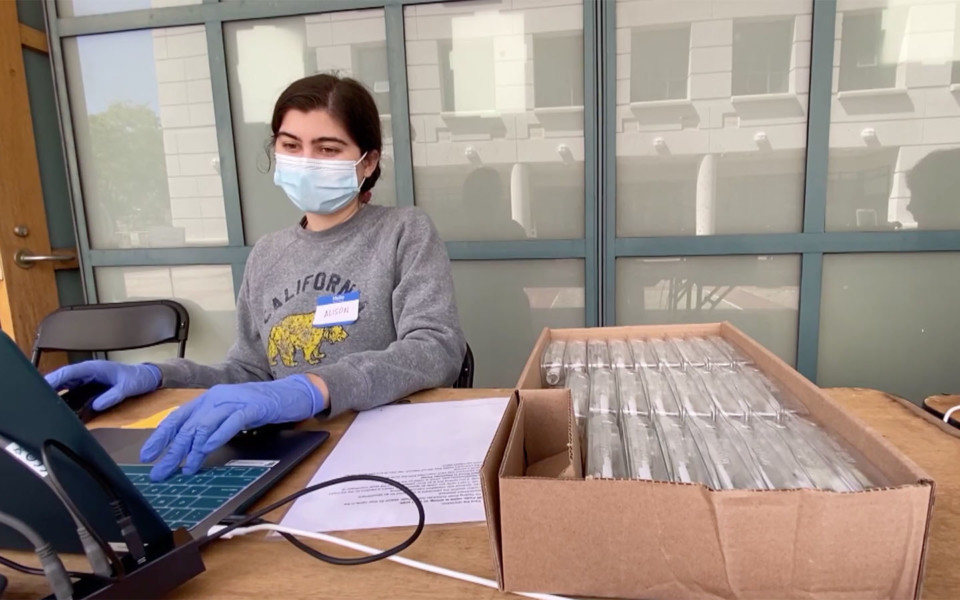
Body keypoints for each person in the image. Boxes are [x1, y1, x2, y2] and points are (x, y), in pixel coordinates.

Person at [45, 74, 466, 482]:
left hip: (384, 450)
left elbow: (435, 349)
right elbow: (248, 372)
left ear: (368, 161)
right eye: (291, 145)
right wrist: (159, 376)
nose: (306, 161)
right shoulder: (267, 254)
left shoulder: (404, 232)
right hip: (288, 451)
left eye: (328, 148)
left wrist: (314, 388)